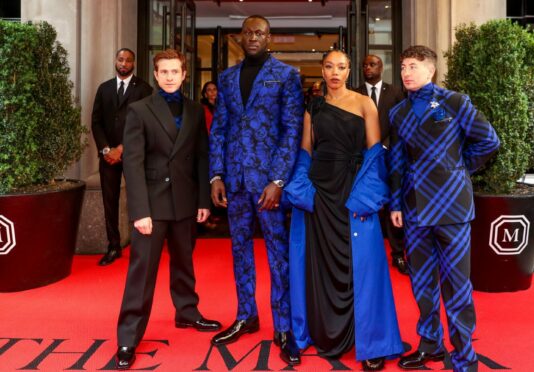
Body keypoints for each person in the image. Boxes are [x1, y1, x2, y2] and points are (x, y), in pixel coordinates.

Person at [285, 50, 403, 371]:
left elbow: (375, 153)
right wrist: (301, 190)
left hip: (353, 194)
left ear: (349, 70)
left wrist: (367, 195)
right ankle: (322, 331)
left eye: (341, 66)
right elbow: (305, 151)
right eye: (328, 66)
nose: (334, 72)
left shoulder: (365, 103)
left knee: (361, 263)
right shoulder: (314, 106)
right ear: (322, 71)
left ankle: (371, 339)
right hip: (319, 194)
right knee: (318, 263)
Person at [389, 45, 500, 372]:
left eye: (413, 66)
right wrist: (395, 202)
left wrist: (459, 168)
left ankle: (465, 357)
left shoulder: (455, 102)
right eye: (403, 66)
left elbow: (489, 140)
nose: (406, 72)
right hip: (414, 208)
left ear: (430, 70)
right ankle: (430, 345)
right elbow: (395, 161)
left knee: (457, 284)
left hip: (452, 207)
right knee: (421, 282)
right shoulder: (397, 113)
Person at [115, 49, 221, 369]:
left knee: (184, 263)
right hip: (152, 204)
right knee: (142, 273)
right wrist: (139, 211)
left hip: (186, 202)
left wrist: (203, 201)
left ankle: (187, 313)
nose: (171, 77)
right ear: (157, 75)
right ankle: (128, 337)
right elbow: (132, 164)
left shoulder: (193, 109)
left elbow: (202, 156)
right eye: (165, 72)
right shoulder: (139, 110)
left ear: (185, 74)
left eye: (176, 71)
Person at [208, 15, 304, 365]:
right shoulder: (226, 77)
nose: (253, 37)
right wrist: (215, 175)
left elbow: (291, 130)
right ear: (240, 36)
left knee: (278, 257)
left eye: (259, 33)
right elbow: (219, 128)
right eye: (247, 32)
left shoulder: (287, 76)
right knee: (239, 251)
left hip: (268, 186)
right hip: (234, 181)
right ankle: (246, 315)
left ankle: (283, 326)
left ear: (269, 37)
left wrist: (278, 181)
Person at [91, 48, 152, 266]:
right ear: (115, 61)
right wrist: (107, 149)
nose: (123, 63)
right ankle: (113, 246)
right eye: (120, 59)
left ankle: (142, 248)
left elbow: (147, 124)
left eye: (128, 60)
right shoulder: (104, 88)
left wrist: (123, 148)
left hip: (133, 154)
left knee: (139, 199)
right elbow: (96, 122)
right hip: (108, 157)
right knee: (110, 202)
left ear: (134, 63)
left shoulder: (144, 89)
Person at [355, 54, 407, 275]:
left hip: (390, 156)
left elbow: (401, 122)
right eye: (365, 64)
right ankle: (365, 256)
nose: (368, 67)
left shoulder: (396, 92)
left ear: (381, 67)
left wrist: (384, 146)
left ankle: (397, 255)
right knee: (366, 205)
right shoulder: (354, 93)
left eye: (373, 64)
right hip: (362, 159)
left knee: (393, 205)